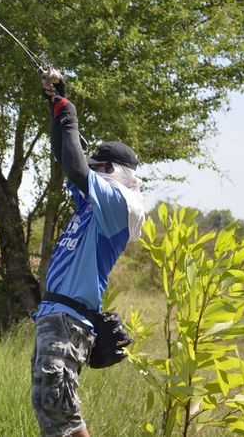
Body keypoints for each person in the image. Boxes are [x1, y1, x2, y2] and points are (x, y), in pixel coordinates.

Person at [30, 68, 145, 437]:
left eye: (99, 168)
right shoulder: (94, 206)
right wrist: (56, 106)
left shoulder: (120, 202)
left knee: (61, 415)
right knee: (55, 412)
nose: (90, 173)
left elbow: (77, 166)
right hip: (57, 316)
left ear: (114, 172)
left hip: (68, 321)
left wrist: (70, 112)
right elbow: (66, 157)